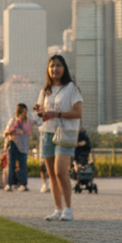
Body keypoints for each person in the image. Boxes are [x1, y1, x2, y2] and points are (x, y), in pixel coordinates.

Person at [33, 55, 83, 221]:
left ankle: (68, 209)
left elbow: (78, 112)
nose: (55, 69)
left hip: (65, 133)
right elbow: (42, 112)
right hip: (47, 133)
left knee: (60, 171)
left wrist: (56, 114)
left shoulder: (71, 88)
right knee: (51, 174)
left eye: (59, 65)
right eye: (52, 66)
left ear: (64, 68)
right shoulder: (45, 90)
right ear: (48, 69)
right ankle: (57, 209)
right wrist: (40, 110)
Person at [4, 103, 32, 191]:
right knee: (11, 164)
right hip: (13, 143)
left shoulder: (27, 121)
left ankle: (23, 184)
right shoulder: (13, 121)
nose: (24, 114)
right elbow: (6, 132)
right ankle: (9, 184)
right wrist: (15, 127)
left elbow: (28, 131)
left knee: (23, 165)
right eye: (22, 112)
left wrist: (22, 123)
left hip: (23, 145)